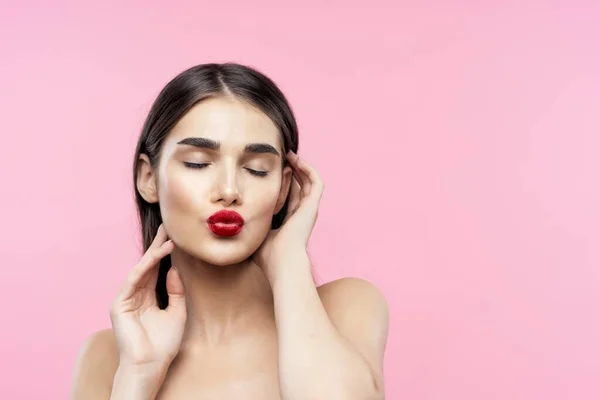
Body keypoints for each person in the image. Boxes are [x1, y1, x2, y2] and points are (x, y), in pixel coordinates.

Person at [70, 62, 389, 399]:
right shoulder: (108, 357)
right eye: (198, 163)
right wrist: (138, 374)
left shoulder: (346, 309)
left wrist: (288, 260)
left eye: (256, 169)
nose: (229, 189)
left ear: (283, 189)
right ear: (148, 178)